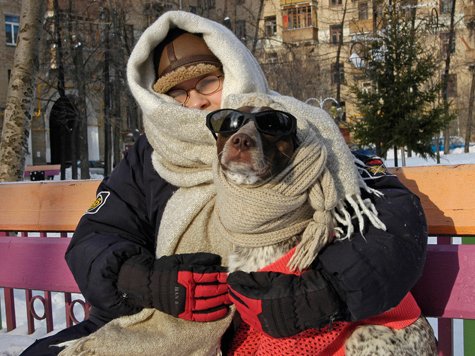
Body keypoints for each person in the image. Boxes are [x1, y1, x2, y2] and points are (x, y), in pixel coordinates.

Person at [21, 11, 428, 356]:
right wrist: (144, 280)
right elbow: (98, 236)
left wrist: (323, 292)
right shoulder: (148, 158)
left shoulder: (288, 131)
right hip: (156, 328)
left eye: (206, 83)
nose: (195, 102)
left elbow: (391, 214)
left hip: (274, 332)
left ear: (234, 69)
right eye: (178, 93)